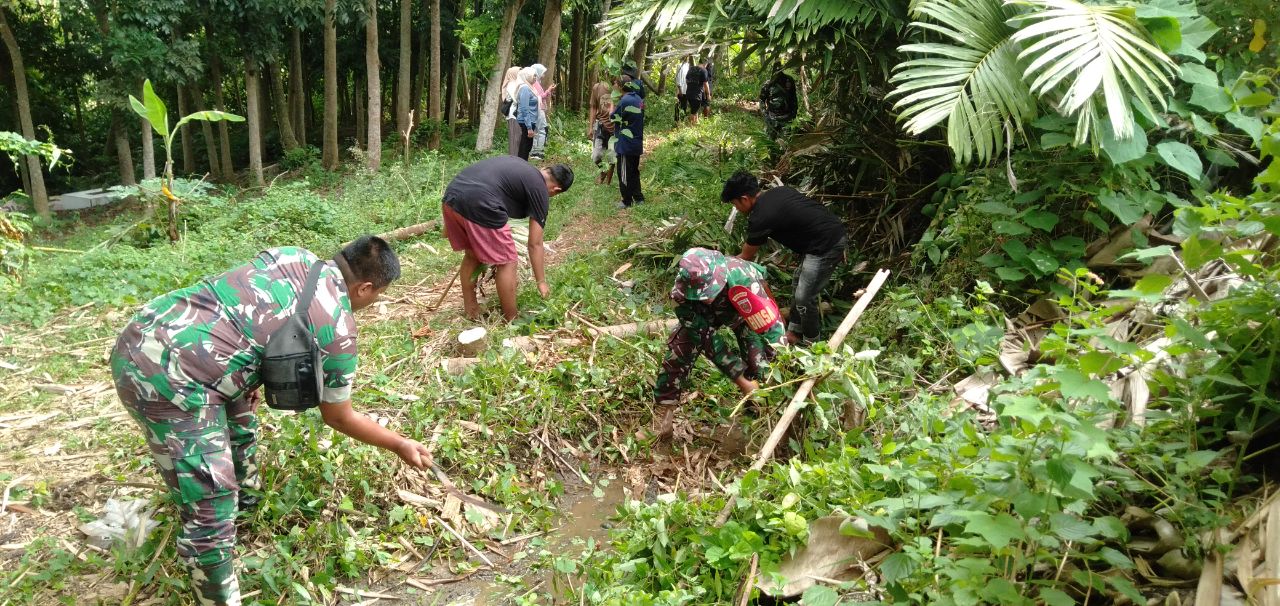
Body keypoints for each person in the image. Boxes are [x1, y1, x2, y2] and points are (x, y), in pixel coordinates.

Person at [111, 237, 433, 606]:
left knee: (242, 413)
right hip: (164, 377)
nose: (373, 303)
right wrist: (399, 443)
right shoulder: (337, 329)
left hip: (146, 327)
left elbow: (251, 314)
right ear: (365, 288)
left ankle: (247, 508)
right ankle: (217, 593)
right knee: (210, 507)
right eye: (378, 295)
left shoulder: (294, 255)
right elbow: (339, 417)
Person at [652, 247, 785, 437]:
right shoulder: (681, 296)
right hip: (705, 315)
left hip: (744, 312)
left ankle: (757, 418)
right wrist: (740, 380)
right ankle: (662, 419)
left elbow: (771, 331)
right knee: (679, 349)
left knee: (762, 362)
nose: (707, 298)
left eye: (709, 291)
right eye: (701, 293)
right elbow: (708, 341)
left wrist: (780, 358)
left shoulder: (743, 278)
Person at [441, 156, 574, 320]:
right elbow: (535, 244)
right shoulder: (540, 188)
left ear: (547, 169)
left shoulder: (520, 167)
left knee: (472, 254)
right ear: (556, 189)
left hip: (451, 195)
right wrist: (541, 282)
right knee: (508, 261)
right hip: (480, 203)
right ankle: (511, 320)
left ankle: (471, 310)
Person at [721, 171, 847, 344]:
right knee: (798, 283)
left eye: (735, 204)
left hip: (826, 244)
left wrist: (722, 266)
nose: (736, 209)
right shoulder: (779, 192)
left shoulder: (761, 217)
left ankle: (812, 343)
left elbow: (746, 256)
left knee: (804, 297)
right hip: (824, 237)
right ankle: (794, 332)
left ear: (744, 199)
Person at [611, 75, 645, 208]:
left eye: (616, 84)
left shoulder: (624, 101)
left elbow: (613, 117)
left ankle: (626, 200)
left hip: (625, 144)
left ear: (620, 86)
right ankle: (639, 198)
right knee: (634, 171)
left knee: (624, 172)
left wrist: (612, 105)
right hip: (636, 142)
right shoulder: (638, 99)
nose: (614, 86)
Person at [587, 77, 617, 185]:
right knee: (596, 156)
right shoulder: (597, 87)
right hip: (600, 125)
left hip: (615, 127)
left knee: (612, 156)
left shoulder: (620, 87)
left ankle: (608, 182)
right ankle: (603, 171)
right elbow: (593, 107)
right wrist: (590, 127)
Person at [759, 69, 798, 138]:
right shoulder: (768, 84)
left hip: (786, 117)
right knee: (770, 140)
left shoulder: (789, 80)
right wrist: (765, 115)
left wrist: (793, 113)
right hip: (772, 117)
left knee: (786, 140)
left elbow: (793, 98)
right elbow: (762, 100)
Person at [529, 63, 556, 161]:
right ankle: (538, 152)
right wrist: (549, 90)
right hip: (538, 109)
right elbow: (539, 97)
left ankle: (534, 152)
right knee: (541, 130)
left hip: (537, 109)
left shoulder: (535, 82)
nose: (543, 75)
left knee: (537, 130)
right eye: (542, 73)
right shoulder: (535, 83)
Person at [514, 68, 539, 160]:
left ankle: (523, 164)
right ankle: (521, 165)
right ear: (527, 76)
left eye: (536, 75)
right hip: (526, 122)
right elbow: (524, 108)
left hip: (530, 121)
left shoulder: (530, 88)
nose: (535, 78)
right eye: (533, 76)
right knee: (524, 147)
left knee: (527, 146)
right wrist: (529, 127)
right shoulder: (525, 88)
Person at [501, 66, 523, 157]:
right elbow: (516, 99)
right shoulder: (512, 84)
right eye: (519, 73)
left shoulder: (515, 83)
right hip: (514, 115)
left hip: (516, 114)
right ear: (513, 74)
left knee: (518, 137)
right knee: (515, 138)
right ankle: (514, 158)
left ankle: (517, 158)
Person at [683, 58, 709, 126]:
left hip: (688, 93)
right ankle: (691, 127)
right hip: (697, 94)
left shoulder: (691, 69)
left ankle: (696, 123)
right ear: (705, 64)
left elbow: (686, 80)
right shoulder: (703, 70)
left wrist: (691, 86)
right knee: (693, 112)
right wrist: (708, 94)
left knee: (694, 109)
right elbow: (706, 84)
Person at [675, 57, 691, 121]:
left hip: (685, 90)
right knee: (680, 106)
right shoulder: (680, 66)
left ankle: (680, 120)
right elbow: (678, 79)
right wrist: (680, 90)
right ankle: (678, 121)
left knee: (682, 106)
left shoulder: (688, 66)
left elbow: (678, 79)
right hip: (682, 90)